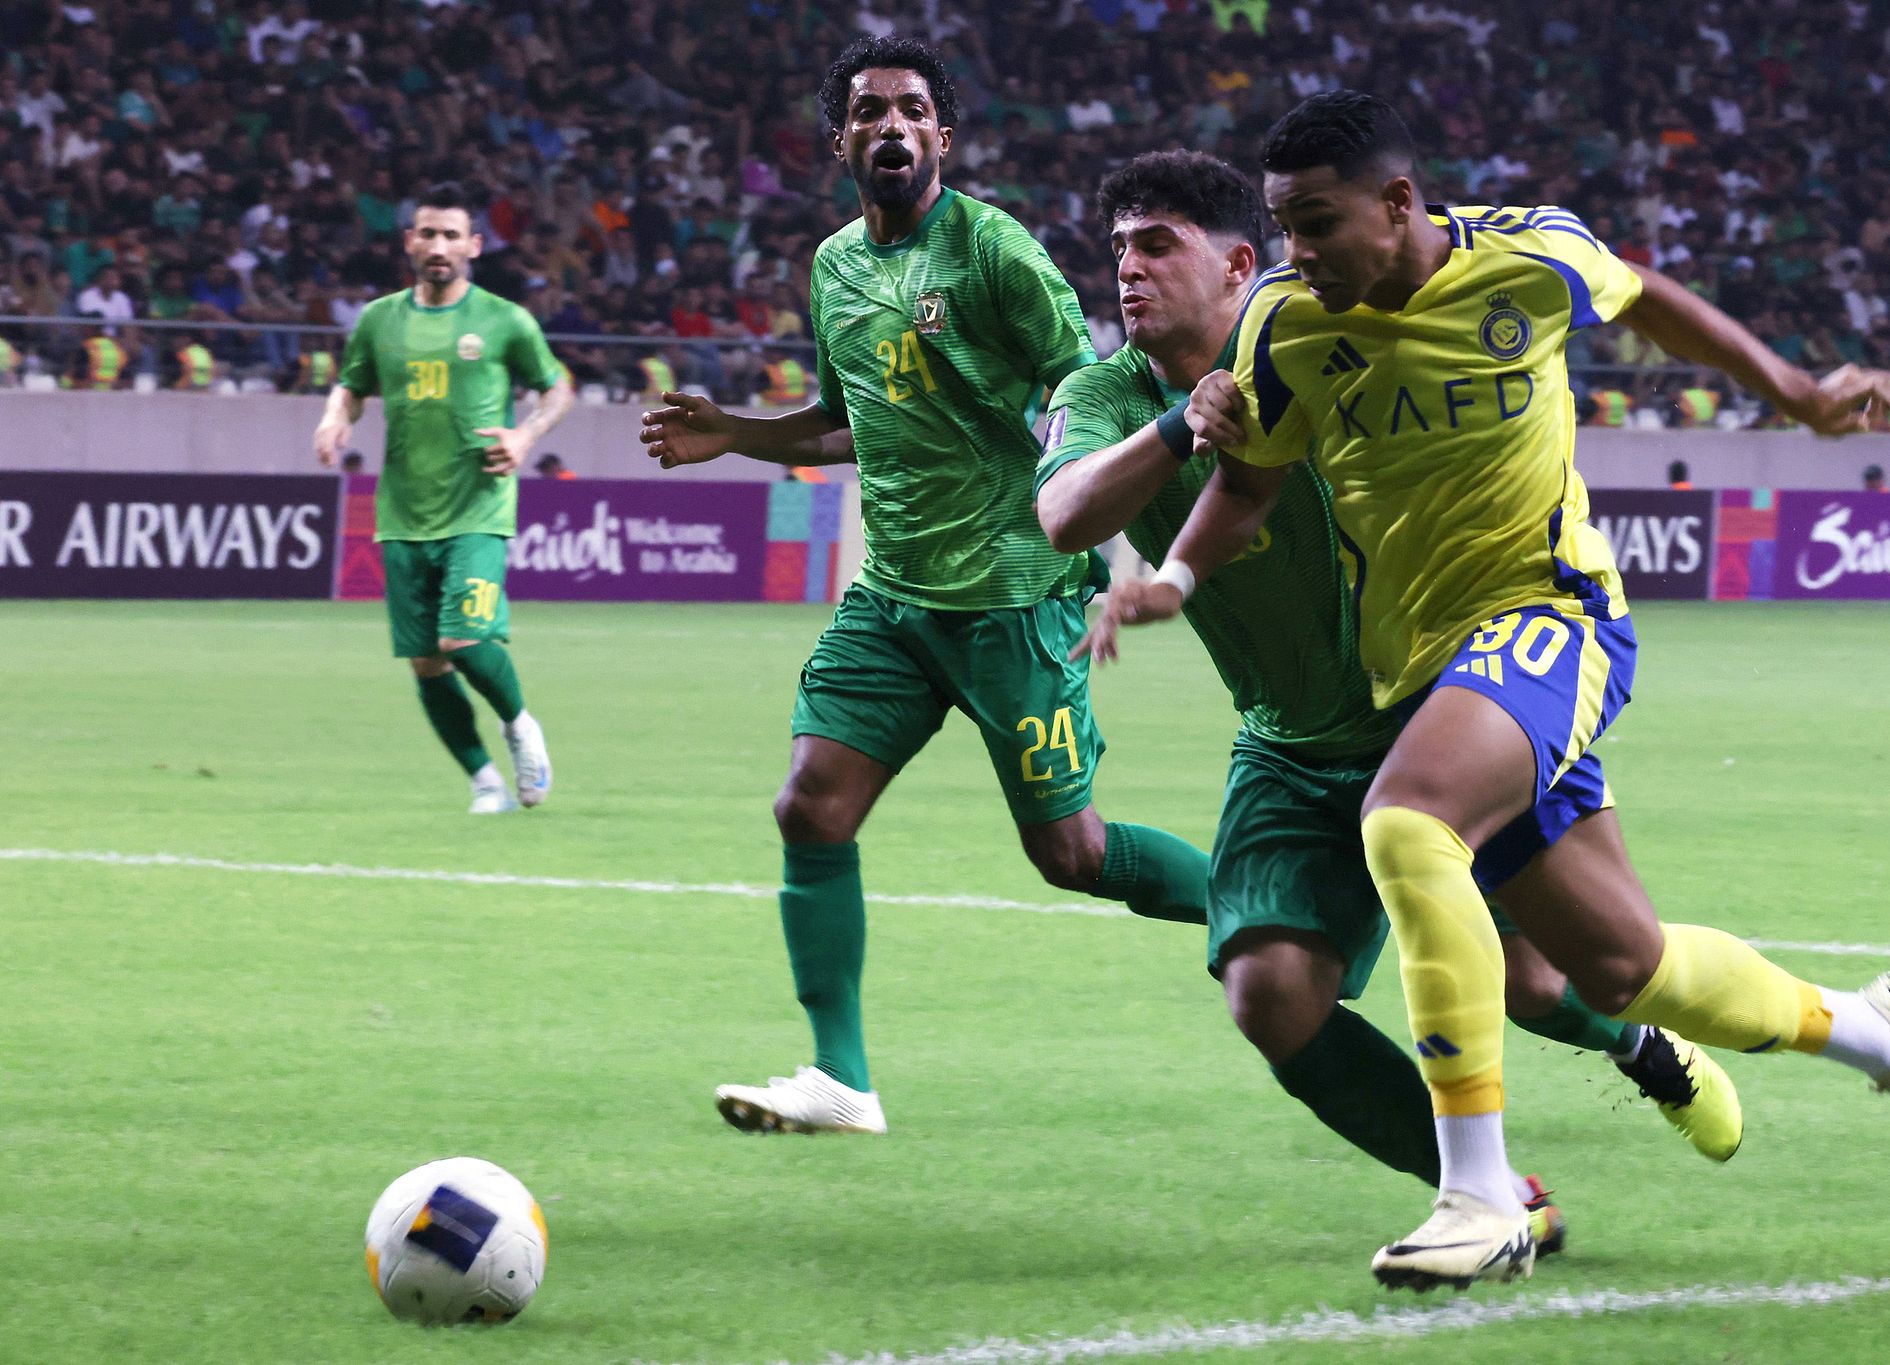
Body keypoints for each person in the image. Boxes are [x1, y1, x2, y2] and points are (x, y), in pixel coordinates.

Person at [1095, 93, 1890, 1291]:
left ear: (1397, 203)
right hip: (1423, 668)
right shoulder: (1286, 323)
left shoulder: (1526, 255)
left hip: (1552, 615)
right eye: (1284, 227)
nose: (1296, 252)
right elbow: (1248, 481)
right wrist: (1177, 572)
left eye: (1316, 222)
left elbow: (1648, 299)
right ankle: (1876, 1032)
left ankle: (1478, 1194)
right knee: (1620, 969)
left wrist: (1791, 392)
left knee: (1405, 824)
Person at [1035, 151, 1742, 1227]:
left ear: (1237, 264)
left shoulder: (1325, 343)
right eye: (1118, 248)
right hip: (1286, 741)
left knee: (1539, 986)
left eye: (1156, 245)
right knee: (1269, 998)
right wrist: (1183, 423)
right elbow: (1062, 515)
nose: (1126, 269)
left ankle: (1647, 1047)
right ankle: (1493, 1196)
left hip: (1435, 708)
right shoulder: (1101, 395)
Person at [638, 37, 1213, 1137]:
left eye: (910, 109)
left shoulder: (993, 250)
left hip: (1011, 593)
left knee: (1072, 856)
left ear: (940, 137)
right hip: (894, 600)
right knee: (809, 806)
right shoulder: (834, 266)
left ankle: (1275, 913)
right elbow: (853, 415)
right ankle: (840, 1080)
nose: (890, 124)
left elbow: (1084, 385)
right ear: (842, 138)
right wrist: (734, 437)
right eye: (869, 110)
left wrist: (1112, 543)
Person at [313, 181, 576, 815]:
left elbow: (557, 387)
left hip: (478, 507)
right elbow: (352, 386)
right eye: (427, 233)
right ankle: (484, 780)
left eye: (451, 235)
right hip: (403, 514)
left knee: (464, 640)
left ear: (474, 246)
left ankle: (519, 727)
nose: (439, 246)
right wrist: (332, 417)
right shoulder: (379, 320)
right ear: (409, 242)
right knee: (427, 664)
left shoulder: (503, 320)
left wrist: (525, 435)